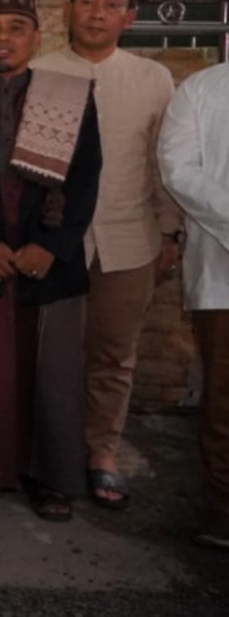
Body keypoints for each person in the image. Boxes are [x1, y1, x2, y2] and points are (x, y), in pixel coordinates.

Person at [0, 0, 102, 522]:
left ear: (36, 36)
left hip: (45, 261)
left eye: (14, 28)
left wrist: (51, 246)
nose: (1, 39)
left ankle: (50, 479)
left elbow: (84, 180)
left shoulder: (69, 95)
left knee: (51, 374)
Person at [32, 0, 181, 511]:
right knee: (54, 355)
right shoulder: (41, 70)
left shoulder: (152, 79)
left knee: (114, 356)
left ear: (130, 16)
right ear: (69, 9)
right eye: (87, 1)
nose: (97, 13)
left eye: (111, 4)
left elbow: (162, 162)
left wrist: (170, 231)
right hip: (55, 243)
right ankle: (52, 457)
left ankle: (102, 453)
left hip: (129, 237)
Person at [158, 61, 229, 549]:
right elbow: (177, 168)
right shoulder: (202, 90)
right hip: (222, 269)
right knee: (224, 395)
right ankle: (224, 508)